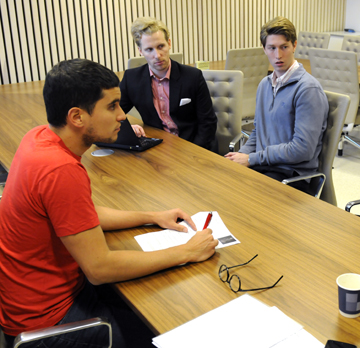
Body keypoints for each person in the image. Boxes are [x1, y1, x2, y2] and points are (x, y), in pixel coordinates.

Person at [0, 59, 218, 348]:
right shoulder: (60, 170)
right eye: (112, 106)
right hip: (50, 321)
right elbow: (100, 268)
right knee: (170, 328)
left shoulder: (39, 137)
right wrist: (187, 251)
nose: (121, 116)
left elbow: (80, 214)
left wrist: (152, 216)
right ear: (77, 117)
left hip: (29, 301)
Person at [225, 16, 329, 193]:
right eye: (272, 48)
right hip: (266, 167)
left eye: (284, 47)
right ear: (264, 49)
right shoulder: (265, 85)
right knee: (221, 179)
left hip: (291, 175)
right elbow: (258, 132)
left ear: (294, 45)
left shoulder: (307, 89)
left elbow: (302, 150)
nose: (278, 55)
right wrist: (240, 156)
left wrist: (252, 159)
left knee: (240, 197)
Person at [119, 17, 218, 152]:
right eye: (149, 49)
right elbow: (114, 113)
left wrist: (194, 153)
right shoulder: (132, 79)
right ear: (140, 51)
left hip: (193, 145)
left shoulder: (193, 76)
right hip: (157, 147)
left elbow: (208, 122)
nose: (157, 55)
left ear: (169, 43)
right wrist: (128, 129)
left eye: (161, 46)